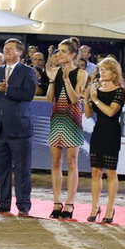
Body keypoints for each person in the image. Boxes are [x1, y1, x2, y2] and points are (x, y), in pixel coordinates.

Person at [0, 39, 36, 215]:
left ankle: (23, 205)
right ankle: (3, 203)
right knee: (1, 169)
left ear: (20, 52)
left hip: (19, 128)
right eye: (5, 49)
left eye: (11, 49)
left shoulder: (27, 72)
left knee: (22, 170)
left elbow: (28, 94)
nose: (7, 51)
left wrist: (8, 89)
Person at [47, 38, 87, 219]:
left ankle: (69, 203)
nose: (59, 54)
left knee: (72, 162)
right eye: (58, 51)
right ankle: (56, 201)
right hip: (57, 117)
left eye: (63, 51)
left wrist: (66, 79)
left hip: (72, 118)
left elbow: (74, 98)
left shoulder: (81, 73)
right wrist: (52, 80)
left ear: (72, 55)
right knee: (55, 162)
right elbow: (49, 99)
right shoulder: (55, 72)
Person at [84, 57, 125, 223]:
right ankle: (95, 206)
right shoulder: (96, 89)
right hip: (98, 131)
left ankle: (110, 207)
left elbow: (110, 112)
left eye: (106, 69)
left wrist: (94, 99)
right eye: (101, 69)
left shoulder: (119, 91)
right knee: (95, 171)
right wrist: (87, 99)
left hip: (111, 132)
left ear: (114, 72)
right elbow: (88, 114)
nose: (103, 72)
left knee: (110, 172)